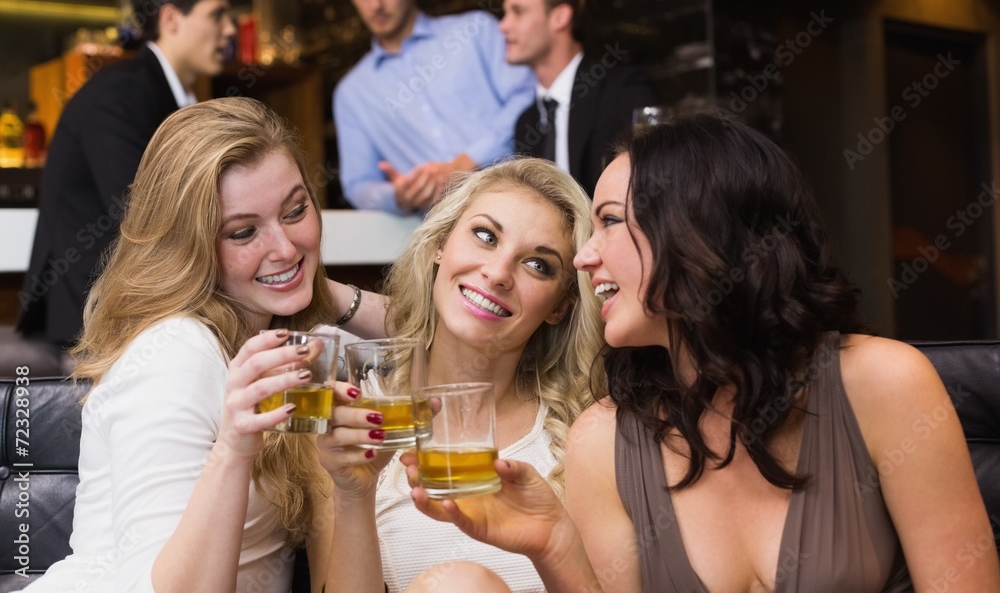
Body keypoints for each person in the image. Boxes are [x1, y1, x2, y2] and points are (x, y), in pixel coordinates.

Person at [403, 113, 1000, 592]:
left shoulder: (884, 384)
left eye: (610, 223)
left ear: (696, 233)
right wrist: (554, 541)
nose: (586, 260)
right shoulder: (604, 439)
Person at [18, 98, 367, 592]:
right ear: (191, 245)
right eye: (244, 232)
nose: (285, 247)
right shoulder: (177, 353)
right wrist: (233, 447)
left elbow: (444, 332)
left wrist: (320, 291)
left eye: (295, 210)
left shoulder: (301, 347)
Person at [316, 157, 604, 592]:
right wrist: (354, 496)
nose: (497, 273)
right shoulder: (354, 421)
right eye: (485, 236)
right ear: (440, 245)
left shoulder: (585, 436)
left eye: (538, 265)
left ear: (560, 307)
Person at [18, 0, 236, 349]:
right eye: (217, 14)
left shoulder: (163, 94)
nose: (230, 30)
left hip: (138, 318)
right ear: (171, 19)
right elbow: (146, 217)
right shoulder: (122, 95)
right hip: (91, 329)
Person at [333, 0, 536, 214]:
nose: (375, 4)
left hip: (524, 201)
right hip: (441, 233)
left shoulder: (474, 31)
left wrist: (466, 164)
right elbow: (358, 184)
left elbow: (528, 97)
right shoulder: (351, 93)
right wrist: (397, 196)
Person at [500, 0, 655, 197]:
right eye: (505, 13)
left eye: (518, 12)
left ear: (560, 17)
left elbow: (652, 186)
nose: (503, 25)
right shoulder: (527, 122)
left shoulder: (621, 91)